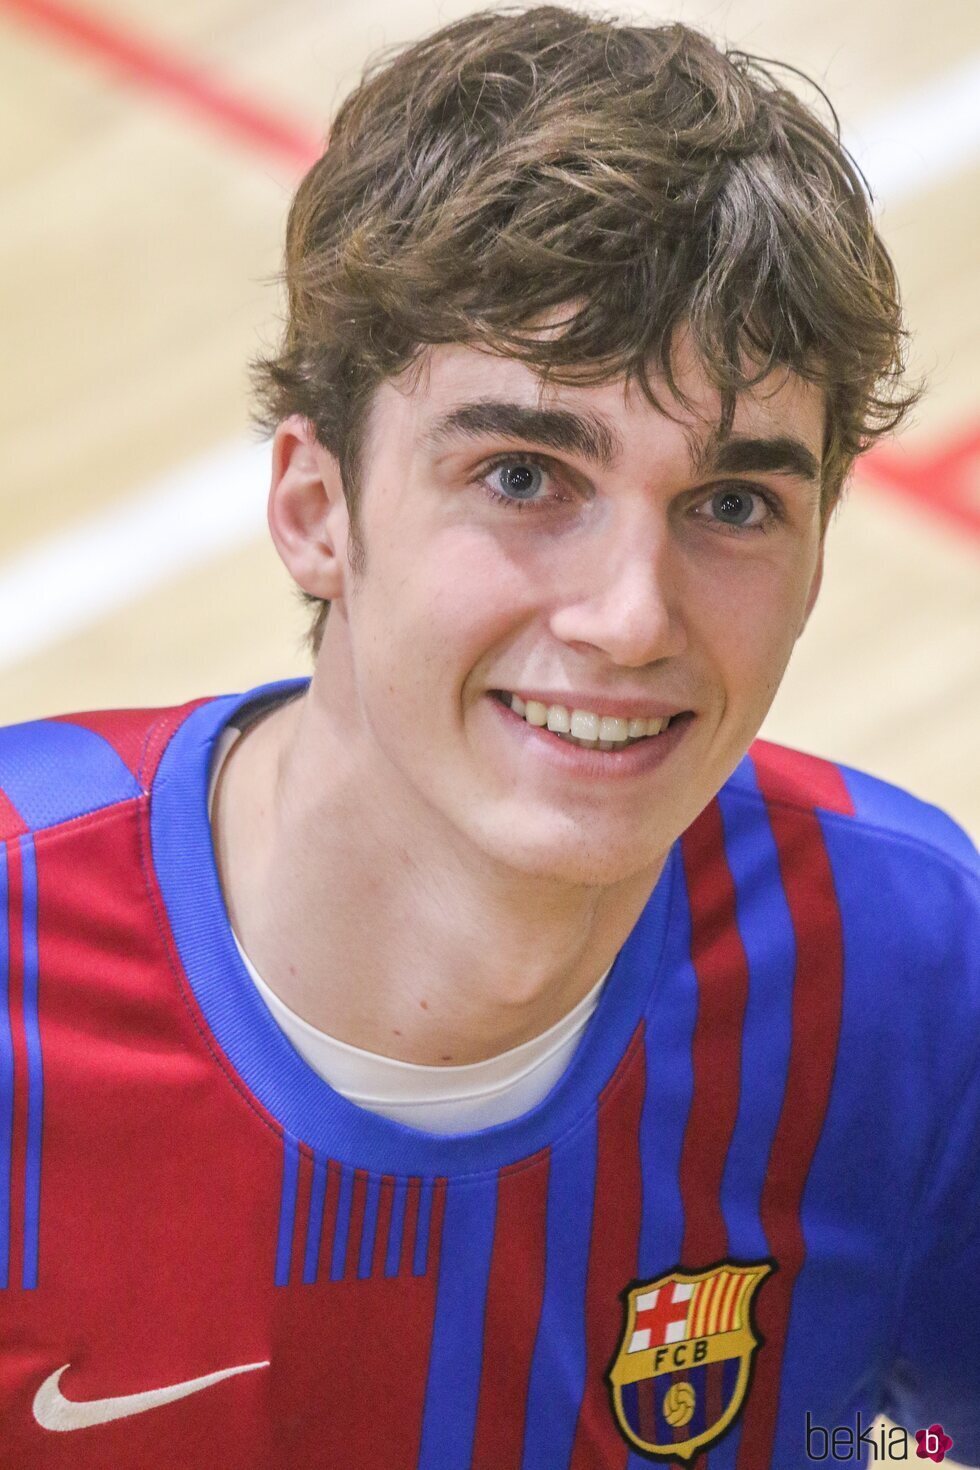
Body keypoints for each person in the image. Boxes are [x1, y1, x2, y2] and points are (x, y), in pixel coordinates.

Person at [1, 7, 977, 1467]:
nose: (632, 616)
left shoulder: (910, 975)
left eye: (733, 504)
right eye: (525, 474)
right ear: (315, 508)